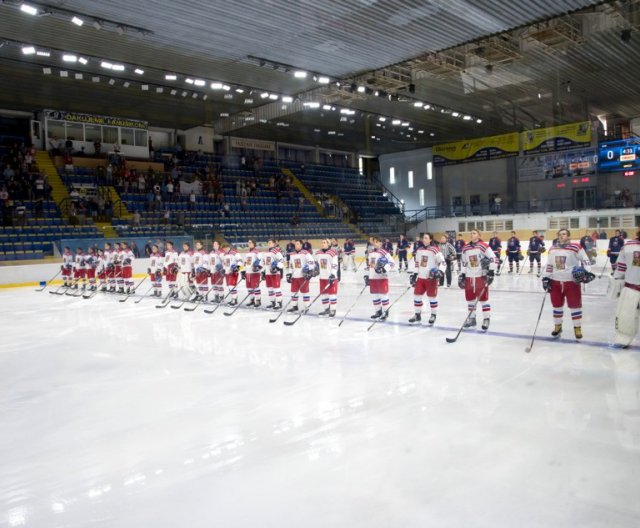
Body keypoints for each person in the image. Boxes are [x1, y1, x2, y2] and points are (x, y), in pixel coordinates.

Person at [542, 229, 593, 339]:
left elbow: (585, 260)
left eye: (564, 234)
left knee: (575, 306)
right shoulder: (552, 249)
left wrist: (587, 272)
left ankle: (577, 328)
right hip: (555, 281)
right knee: (557, 305)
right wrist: (546, 277)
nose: (561, 236)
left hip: (572, 282)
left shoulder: (576, 247)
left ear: (569, 236)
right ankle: (558, 326)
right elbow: (549, 265)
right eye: (560, 234)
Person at [459, 229, 497, 331]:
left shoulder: (483, 246)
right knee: (470, 299)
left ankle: (486, 319)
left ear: (479, 235)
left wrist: (491, 272)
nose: (472, 235)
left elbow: (494, 258)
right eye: (471, 233)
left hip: (481, 277)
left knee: (483, 299)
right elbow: (463, 262)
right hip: (469, 277)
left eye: (474, 233)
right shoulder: (465, 248)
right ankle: (472, 319)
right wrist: (462, 274)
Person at [611, 230, 640, 348]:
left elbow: (620, 268)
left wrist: (617, 278)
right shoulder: (628, 246)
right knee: (627, 315)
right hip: (631, 288)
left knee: (627, 315)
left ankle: (624, 338)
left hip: (631, 288)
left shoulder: (628, 246)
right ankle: (624, 338)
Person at [409, 233, 444, 325]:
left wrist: (440, 272)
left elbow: (443, 262)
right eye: (423, 238)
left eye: (426, 238)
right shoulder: (419, 250)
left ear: (430, 240)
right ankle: (417, 315)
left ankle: (433, 314)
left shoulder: (435, 250)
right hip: (420, 278)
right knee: (417, 296)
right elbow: (417, 263)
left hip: (430, 278)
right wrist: (414, 274)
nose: (423, 239)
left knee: (432, 297)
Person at [365, 236, 395, 320]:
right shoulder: (371, 253)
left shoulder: (384, 252)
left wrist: (384, 269)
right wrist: (368, 276)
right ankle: (378, 311)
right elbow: (371, 266)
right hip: (373, 278)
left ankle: (385, 312)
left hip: (382, 278)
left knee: (383, 295)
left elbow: (392, 263)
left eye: (377, 242)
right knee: (375, 296)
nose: (375, 243)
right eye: (374, 241)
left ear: (380, 243)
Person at [287, 239, 316, 313]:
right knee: (293, 292)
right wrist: (290, 273)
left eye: (297, 244)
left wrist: (308, 269)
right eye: (295, 244)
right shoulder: (292, 254)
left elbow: (312, 262)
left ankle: (306, 307)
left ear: (301, 245)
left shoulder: (305, 253)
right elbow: (290, 265)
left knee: (305, 292)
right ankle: (294, 306)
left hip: (303, 276)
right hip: (294, 277)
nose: (296, 245)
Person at [315, 238, 339, 317]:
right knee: (324, 294)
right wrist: (314, 270)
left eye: (324, 242)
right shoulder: (318, 253)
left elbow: (335, 264)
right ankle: (326, 309)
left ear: (329, 244)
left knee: (332, 294)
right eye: (322, 242)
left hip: (331, 278)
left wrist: (333, 274)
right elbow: (316, 264)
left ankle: (332, 310)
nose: (322, 244)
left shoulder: (333, 253)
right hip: (322, 277)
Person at [263, 239, 284, 310]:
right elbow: (264, 262)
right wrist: (263, 271)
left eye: (270, 242)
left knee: (276, 288)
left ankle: (279, 303)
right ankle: (272, 302)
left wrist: (278, 268)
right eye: (268, 242)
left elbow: (282, 260)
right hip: (267, 273)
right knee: (270, 289)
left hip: (275, 273)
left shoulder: (276, 251)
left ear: (274, 244)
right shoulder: (266, 252)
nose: (269, 244)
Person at [243, 239, 263, 307]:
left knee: (255, 287)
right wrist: (242, 271)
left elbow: (261, 260)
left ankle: (258, 300)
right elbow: (245, 263)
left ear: (254, 243)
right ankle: (251, 300)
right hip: (248, 273)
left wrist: (259, 267)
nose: (249, 243)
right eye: (248, 242)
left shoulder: (257, 252)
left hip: (254, 273)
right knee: (249, 287)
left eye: (250, 242)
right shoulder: (247, 252)